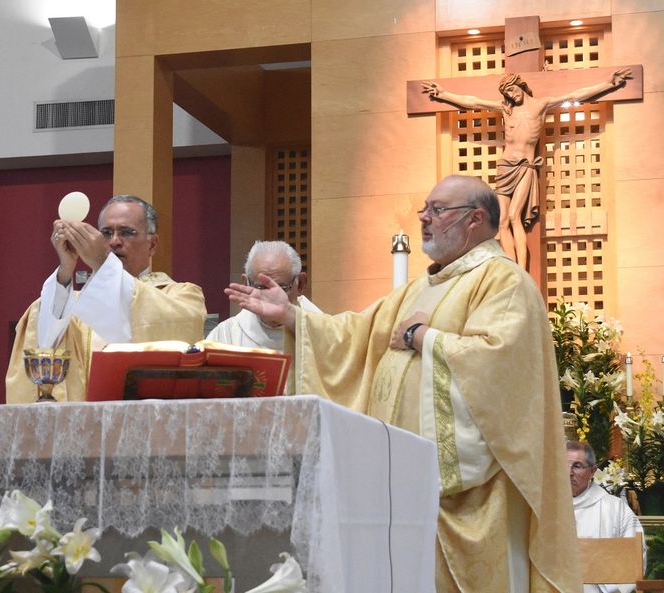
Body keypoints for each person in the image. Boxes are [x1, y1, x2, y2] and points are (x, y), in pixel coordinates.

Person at [226, 175, 579, 593]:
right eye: (424, 210)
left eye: (438, 210)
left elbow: (499, 365)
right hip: (408, 490)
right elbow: (356, 336)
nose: (424, 218)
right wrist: (290, 317)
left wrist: (421, 338)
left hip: (473, 495)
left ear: (475, 219)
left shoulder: (504, 281)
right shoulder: (419, 289)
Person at [421, 68, 632, 270]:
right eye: (507, 93)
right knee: (501, 221)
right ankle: (511, 267)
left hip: (525, 166)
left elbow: (576, 94)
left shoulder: (541, 105)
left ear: (520, 86)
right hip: (505, 167)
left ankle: (521, 269)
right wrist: (443, 94)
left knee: (514, 216)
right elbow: (472, 102)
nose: (512, 95)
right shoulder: (506, 109)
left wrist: (608, 84)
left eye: (513, 90)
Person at [5, 194, 207, 402]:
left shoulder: (181, 295)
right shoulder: (71, 300)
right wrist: (66, 268)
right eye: (106, 233)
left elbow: (181, 328)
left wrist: (102, 262)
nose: (114, 242)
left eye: (127, 233)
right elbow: (43, 343)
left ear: (152, 244)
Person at [206, 240, 320, 352]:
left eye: (282, 289)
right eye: (262, 288)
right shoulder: (225, 337)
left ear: (300, 283)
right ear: (246, 283)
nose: (273, 299)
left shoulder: (323, 334)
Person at [567, 441, 645, 593]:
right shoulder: (545, 508)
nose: (569, 472)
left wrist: (610, 588)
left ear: (592, 471)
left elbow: (636, 554)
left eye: (577, 466)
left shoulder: (615, 509)